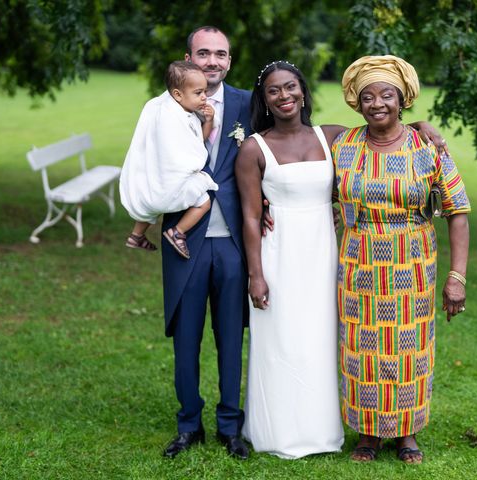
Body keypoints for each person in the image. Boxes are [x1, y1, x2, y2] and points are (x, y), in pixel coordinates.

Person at [236, 60, 451, 459]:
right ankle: (279, 428)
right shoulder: (255, 146)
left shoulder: (332, 137)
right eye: (273, 91)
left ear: (304, 91)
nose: (284, 96)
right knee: (282, 338)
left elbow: (383, 128)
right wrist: (256, 275)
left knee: (324, 338)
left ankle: (328, 428)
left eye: (291, 87)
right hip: (280, 252)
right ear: (263, 100)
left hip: (327, 252)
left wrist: (423, 127)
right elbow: (250, 214)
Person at [333, 55, 471, 464]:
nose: (377, 104)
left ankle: (407, 432)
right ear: (357, 104)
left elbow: (457, 211)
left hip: (411, 263)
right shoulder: (343, 145)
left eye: (387, 95)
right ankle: (368, 433)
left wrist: (456, 276)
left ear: (402, 99)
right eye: (368, 96)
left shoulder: (427, 147)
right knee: (361, 347)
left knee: (408, 347)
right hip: (357, 265)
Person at [160, 26, 251, 460]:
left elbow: (298, 130)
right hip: (185, 239)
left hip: (233, 241)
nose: (212, 61)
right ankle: (188, 425)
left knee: (231, 336)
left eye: (221, 54)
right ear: (188, 58)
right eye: (203, 53)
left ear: (229, 61)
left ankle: (230, 426)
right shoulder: (166, 109)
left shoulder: (247, 104)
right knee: (186, 337)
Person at [120, 61, 217, 259]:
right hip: (170, 180)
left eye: (205, 91)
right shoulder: (176, 118)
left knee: (149, 208)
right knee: (204, 201)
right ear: (178, 95)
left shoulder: (172, 110)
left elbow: (194, 141)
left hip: (154, 180)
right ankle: (178, 232)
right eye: (198, 93)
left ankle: (136, 235)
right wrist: (208, 124)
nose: (204, 97)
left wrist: (207, 120)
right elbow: (198, 145)